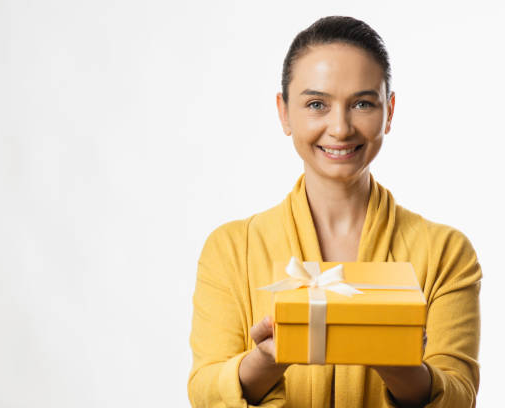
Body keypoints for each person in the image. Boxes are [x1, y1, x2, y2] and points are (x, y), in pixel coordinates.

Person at [188, 16, 481, 408]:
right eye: (316, 104)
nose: (340, 128)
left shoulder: (447, 253)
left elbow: (459, 397)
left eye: (362, 103)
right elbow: (204, 393)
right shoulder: (230, 249)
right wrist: (267, 359)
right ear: (284, 112)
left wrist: (399, 364)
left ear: (389, 111)